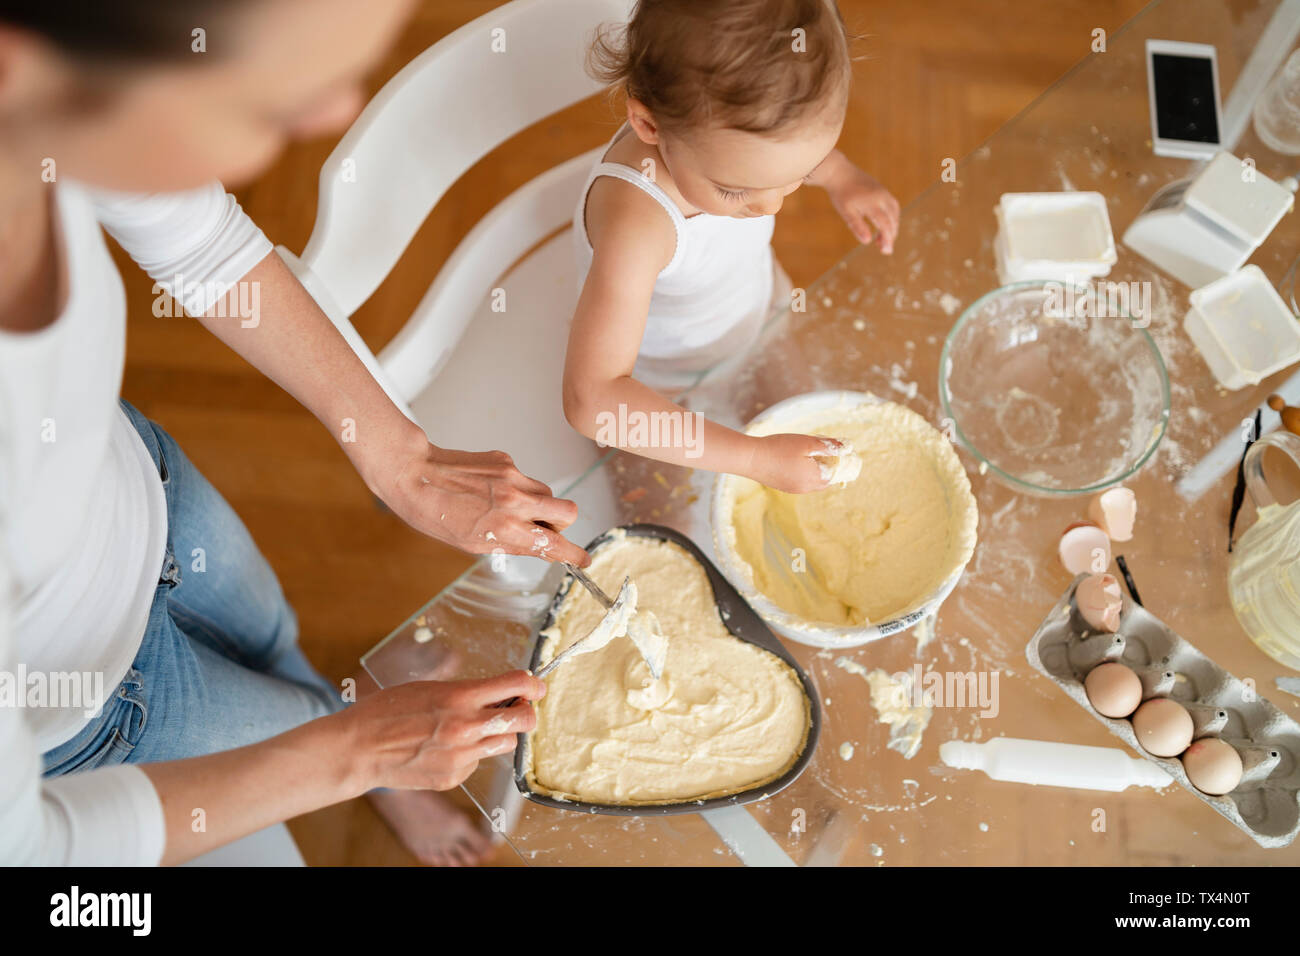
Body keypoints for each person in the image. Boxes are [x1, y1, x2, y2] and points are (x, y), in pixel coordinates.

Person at [0, 0, 588, 866]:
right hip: (92, 717)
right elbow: (35, 850)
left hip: (148, 495)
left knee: (278, 640)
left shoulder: (48, 98)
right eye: (271, 106)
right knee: (317, 722)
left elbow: (203, 248)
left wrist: (406, 461)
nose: (336, 116)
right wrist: (357, 752)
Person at [563, 0, 901, 492]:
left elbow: (786, 155)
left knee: (809, 430)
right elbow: (592, 401)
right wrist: (755, 459)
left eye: (795, 176)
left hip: (754, 315)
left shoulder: (739, 153)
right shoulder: (638, 222)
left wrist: (842, 177)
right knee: (656, 495)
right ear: (650, 125)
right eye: (735, 191)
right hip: (656, 379)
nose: (771, 208)